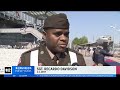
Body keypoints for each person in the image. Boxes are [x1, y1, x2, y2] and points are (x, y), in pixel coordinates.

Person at [18, 13, 86, 66]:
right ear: (44, 35)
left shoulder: (77, 59)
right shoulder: (27, 59)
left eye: (66, 34)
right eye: (58, 34)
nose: (64, 38)